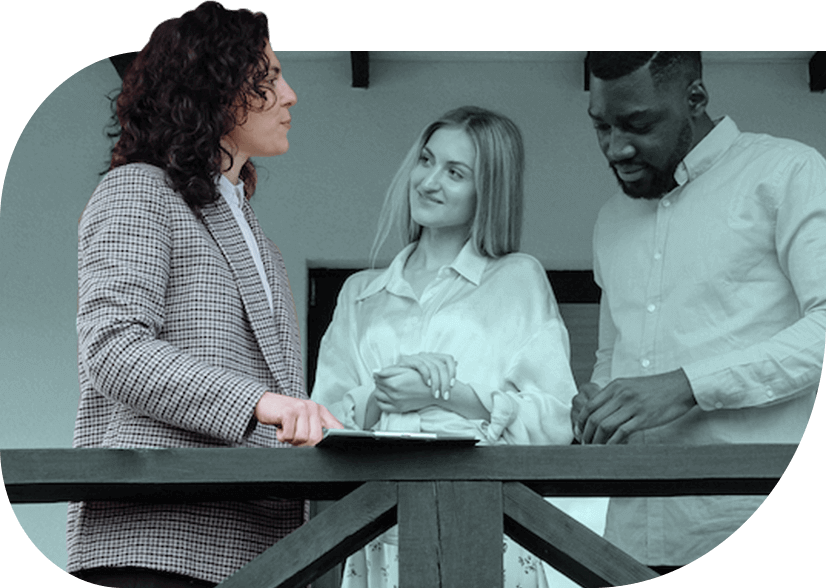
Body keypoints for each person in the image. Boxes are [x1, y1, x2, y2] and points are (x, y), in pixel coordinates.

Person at [67, 3, 342, 587]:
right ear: (210, 88)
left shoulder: (253, 233)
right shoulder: (136, 189)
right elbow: (114, 349)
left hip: (258, 554)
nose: (290, 96)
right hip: (155, 545)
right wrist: (262, 404)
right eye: (267, 78)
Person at [573, 51, 825, 574]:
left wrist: (686, 384)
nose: (616, 147)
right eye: (601, 125)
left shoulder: (789, 173)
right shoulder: (610, 218)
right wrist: (596, 403)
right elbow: (609, 352)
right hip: (626, 542)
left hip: (743, 509)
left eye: (637, 124)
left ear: (695, 99)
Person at [311, 106, 578, 587]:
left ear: (488, 190)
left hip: (487, 528)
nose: (429, 181)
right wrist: (384, 392)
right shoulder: (360, 293)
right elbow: (323, 421)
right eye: (426, 161)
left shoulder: (517, 279)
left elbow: (556, 419)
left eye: (455, 173)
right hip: (374, 531)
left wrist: (443, 393)